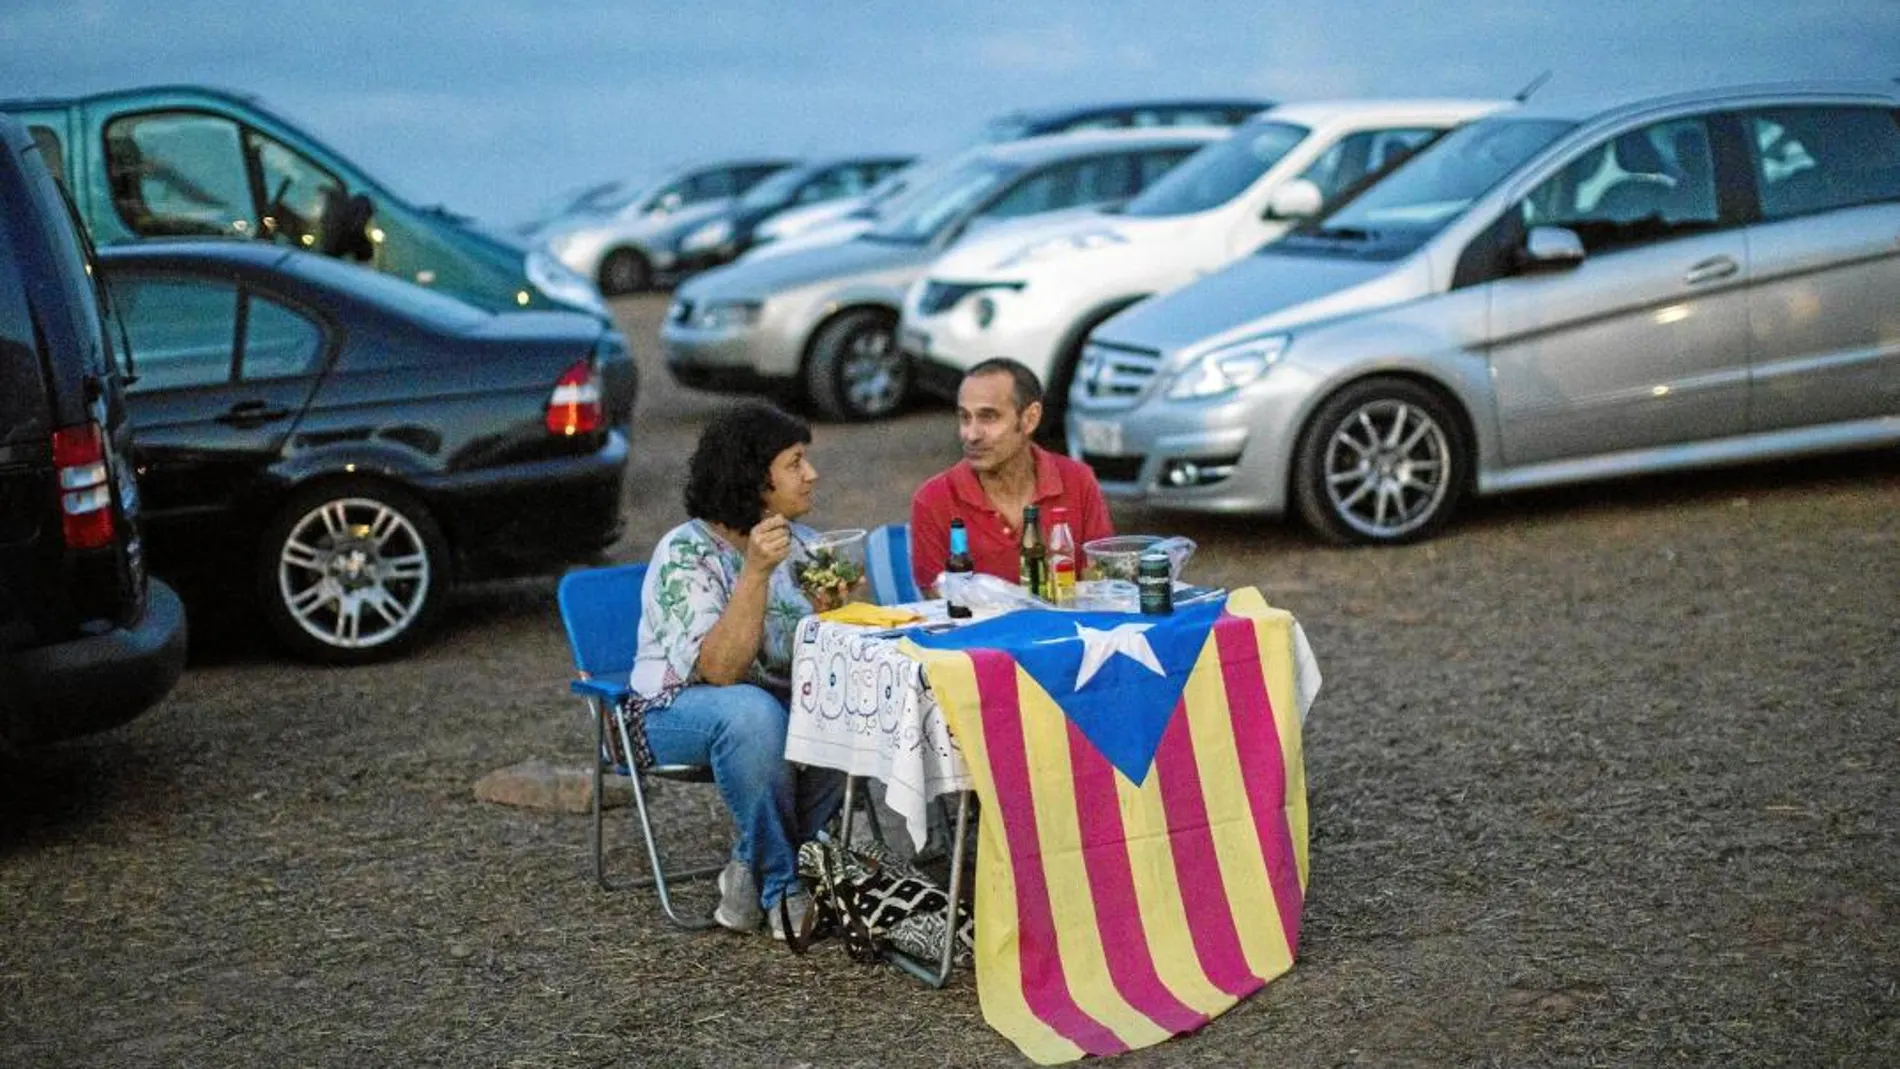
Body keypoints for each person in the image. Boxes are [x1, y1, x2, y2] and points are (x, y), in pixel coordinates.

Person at [623, 401, 848, 939]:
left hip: (773, 712)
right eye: (795, 462)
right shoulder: (685, 554)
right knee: (754, 713)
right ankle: (784, 889)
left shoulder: (807, 546)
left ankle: (749, 867)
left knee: (845, 709)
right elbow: (721, 671)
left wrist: (840, 614)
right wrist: (755, 574)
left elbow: (845, 653)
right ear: (754, 478)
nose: (811, 474)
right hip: (669, 714)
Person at [909, 357, 1114, 594]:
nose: (971, 434)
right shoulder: (933, 499)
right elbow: (936, 600)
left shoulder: (1077, 480)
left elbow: (1100, 576)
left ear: (1030, 419)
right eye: (965, 417)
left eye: (988, 417)